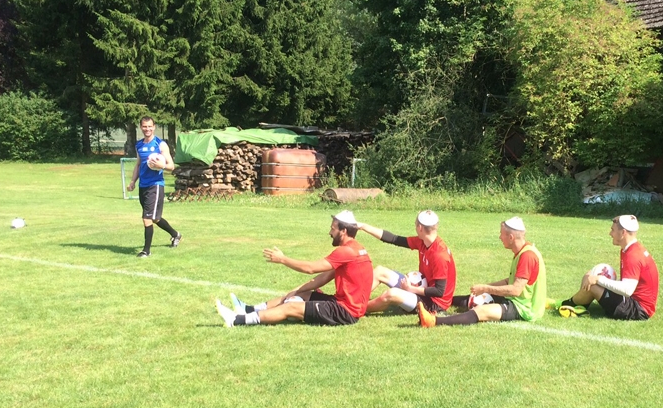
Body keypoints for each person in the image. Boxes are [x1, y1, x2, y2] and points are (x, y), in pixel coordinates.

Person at [217, 210, 374, 327]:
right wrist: (296, 291)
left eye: (333, 229)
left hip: (345, 312)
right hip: (343, 304)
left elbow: (310, 268)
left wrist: (283, 259)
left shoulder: (346, 251)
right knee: (301, 294)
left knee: (291, 307)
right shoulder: (356, 248)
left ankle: (236, 320)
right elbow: (323, 277)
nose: (330, 232)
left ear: (343, 231)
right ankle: (247, 309)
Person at [417, 216, 546, 328]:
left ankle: (432, 321)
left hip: (523, 309)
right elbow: (510, 281)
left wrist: (485, 288)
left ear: (511, 237)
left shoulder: (527, 256)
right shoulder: (524, 251)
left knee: (481, 311)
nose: (500, 237)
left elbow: (515, 290)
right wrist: (485, 288)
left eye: (501, 234)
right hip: (518, 300)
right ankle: (438, 304)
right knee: (475, 298)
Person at [559, 214, 659, 320]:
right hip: (634, 302)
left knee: (593, 284)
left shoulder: (633, 255)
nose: (610, 234)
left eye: (613, 230)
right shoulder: (631, 249)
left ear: (623, 233)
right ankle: (578, 305)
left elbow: (627, 290)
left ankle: (567, 304)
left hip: (639, 310)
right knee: (589, 275)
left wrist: (598, 279)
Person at [356, 210, 456, 315]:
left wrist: (410, 288)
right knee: (380, 271)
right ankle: (354, 301)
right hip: (421, 289)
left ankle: (356, 309)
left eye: (415, 225)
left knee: (391, 294)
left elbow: (439, 291)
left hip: (434, 303)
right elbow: (394, 239)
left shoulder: (439, 255)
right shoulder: (423, 241)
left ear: (420, 228)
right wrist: (363, 226)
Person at [125, 116, 181, 257]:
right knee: (155, 218)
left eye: (150, 126)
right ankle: (175, 234)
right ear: (141, 127)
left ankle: (146, 251)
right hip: (143, 186)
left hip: (155, 185)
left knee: (147, 218)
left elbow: (171, 166)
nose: (147, 129)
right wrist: (133, 181)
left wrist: (162, 165)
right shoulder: (139, 145)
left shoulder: (160, 145)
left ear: (154, 127)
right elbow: (138, 165)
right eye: (144, 126)